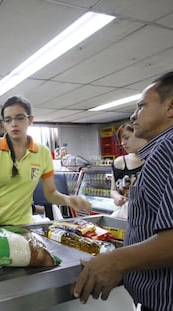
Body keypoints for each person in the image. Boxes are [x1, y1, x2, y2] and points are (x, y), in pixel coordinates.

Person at [73, 71, 173, 311]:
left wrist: (116, 261)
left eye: (141, 106)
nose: (133, 115)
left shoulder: (168, 148)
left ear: (171, 107)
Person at [0, 96, 91, 226]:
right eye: (8, 120)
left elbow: (50, 193)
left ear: (30, 120)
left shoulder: (42, 152)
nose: (14, 123)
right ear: (4, 124)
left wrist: (68, 200)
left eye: (20, 118)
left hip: (23, 226)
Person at [109, 122, 147, 219]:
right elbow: (113, 190)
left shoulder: (152, 160)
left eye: (126, 138)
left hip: (146, 215)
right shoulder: (119, 163)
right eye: (121, 140)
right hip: (125, 214)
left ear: (139, 135)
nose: (122, 143)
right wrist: (117, 198)